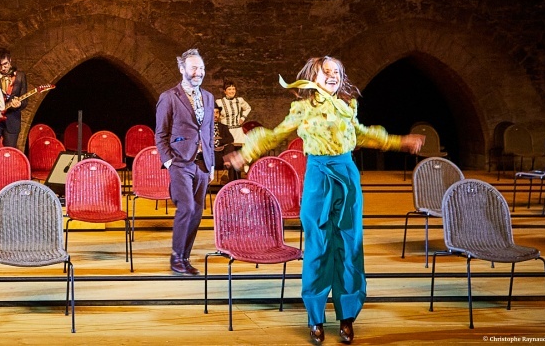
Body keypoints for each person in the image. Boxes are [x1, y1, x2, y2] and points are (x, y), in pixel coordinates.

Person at [227, 56, 424, 344]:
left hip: (346, 174)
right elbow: (275, 135)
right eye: (327, 71)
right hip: (318, 176)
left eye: (337, 72)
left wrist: (399, 141)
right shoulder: (302, 108)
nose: (333, 75)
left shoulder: (346, 106)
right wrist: (246, 153)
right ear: (313, 77)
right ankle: (316, 317)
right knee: (318, 246)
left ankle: (346, 316)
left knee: (349, 244)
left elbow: (362, 135)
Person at [154, 48, 215, 275]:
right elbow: (160, 134)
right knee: (186, 208)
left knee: (197, 212)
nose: (198, 72)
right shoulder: (169, 97)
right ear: (182, 69)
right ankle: (176, 257)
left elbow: (208, 131)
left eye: (201, 68)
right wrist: (168, 161)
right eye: (194, 68)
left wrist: (211, 164)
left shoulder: (208, 97)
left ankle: (185, 258)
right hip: (180, 161)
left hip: (202, 163)